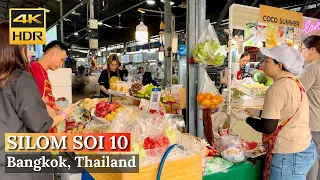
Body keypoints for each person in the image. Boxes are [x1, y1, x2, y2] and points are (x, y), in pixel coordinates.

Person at [232, 45, 316, 180]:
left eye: (267, 61)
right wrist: (256, 113)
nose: (263, 64)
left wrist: (246, 118)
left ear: (279, 66)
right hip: (304, 147)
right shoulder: (294, 82)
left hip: (289, 154)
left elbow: (268, 127)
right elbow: (284, 112)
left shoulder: (277, 87)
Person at [0, 21, 54, 180]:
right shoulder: (20, 78)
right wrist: (50, 114)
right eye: (25, 45)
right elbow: (39, 124)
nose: (28, 51)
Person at [29, 40, 75, 130]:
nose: (61, 64)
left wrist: (55, 106)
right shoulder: (33, 69)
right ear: (52, 54)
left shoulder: (43, 72)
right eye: (61, 60)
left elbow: (43, 97)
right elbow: (30, 100)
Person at [296, 35, 320, 180]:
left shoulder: (313, 68)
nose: (302, 53)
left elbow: (295, 88)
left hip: (313, 121)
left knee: (311, 158)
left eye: (303, 49)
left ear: (312, 49)